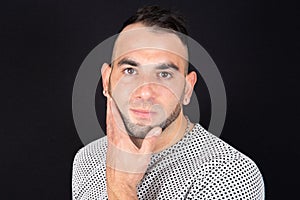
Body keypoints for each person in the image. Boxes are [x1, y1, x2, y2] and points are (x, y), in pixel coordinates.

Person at [72, 5, 265, 200]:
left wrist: (121, 186)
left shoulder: (230, 174)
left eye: (164, 74)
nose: (145, 92)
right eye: (130, 70)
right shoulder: (87, 158)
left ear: (187, 89)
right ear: (107, 81)